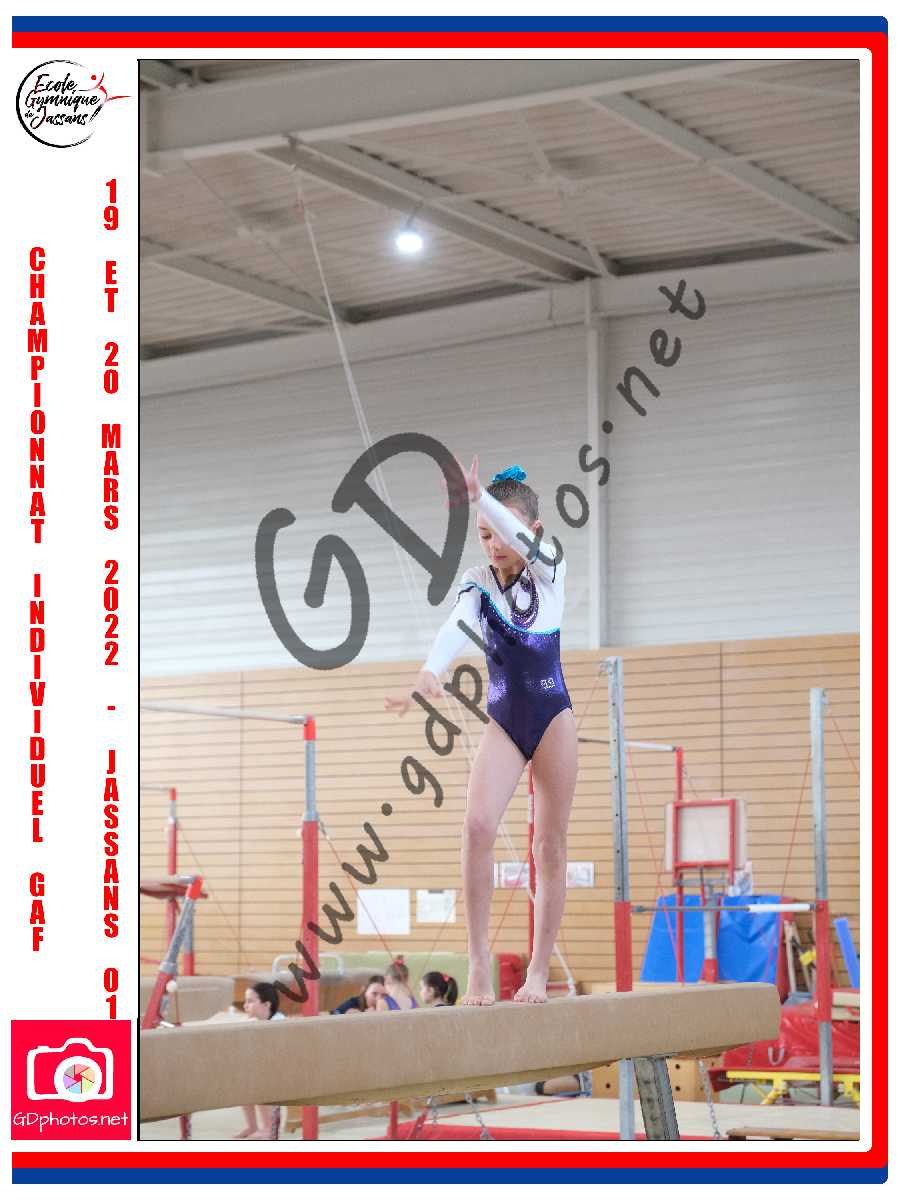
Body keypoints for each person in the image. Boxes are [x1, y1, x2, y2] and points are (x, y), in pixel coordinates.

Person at [386, 459, 578, 1006]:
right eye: (484, 535)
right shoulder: (477, 582)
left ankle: (538, 970)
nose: (493, 545)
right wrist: (430, 672)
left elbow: (520, 538)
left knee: (549, 845)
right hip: (506, 719)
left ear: (532, 531)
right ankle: (477, 964)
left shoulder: (551, 567)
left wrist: (481, 498)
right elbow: (455, 627)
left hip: (553, 717)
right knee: (475, 827)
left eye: (502, 533)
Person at [234, 983, 286, 1139]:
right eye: (245, 1001)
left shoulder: (279, 1022)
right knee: (243, 1082)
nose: (245, 1005)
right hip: (266, 1068)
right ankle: (252, 1126)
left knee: (259, 1082)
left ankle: (269, 1127)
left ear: (267, 1004)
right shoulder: (251, 1021)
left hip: (282, 1070)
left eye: (250, 1001)